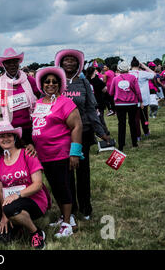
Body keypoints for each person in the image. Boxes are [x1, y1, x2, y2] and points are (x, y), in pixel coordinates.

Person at [55, 50, 110, 220]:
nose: (69, 63)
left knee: (83, 172)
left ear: (78, 64)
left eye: (73, 61)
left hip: (83, 132)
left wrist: (101, 132)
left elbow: (91, 109)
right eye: (66, 61)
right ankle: (70, 210)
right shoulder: (55, 82)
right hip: (62, 135)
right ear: (61, 63)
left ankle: (86, 208)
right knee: (67, 174)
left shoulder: (84, 83)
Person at [31, 66, 83, 238]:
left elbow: (77, 126)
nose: (51, 84)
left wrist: (74, 153)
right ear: (42, 84)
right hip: (44, 155)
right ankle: (64, 217)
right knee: (55, 187)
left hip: (61, 154)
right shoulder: (39, 103)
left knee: (63, 187)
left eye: (54, 81)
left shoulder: (65, 102)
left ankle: (68, 223)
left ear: (60, 84)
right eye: (47, 81)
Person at [0, 121, 50, 249]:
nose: (5, 139)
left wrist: (17, 195)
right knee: (2, 239)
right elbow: (1, 191)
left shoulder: (27, 154)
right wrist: (4, 216)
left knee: (11, 208)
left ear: (15, 137)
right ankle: (18, 224)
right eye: (2, 136)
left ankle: (36, 233)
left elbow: (38, 184)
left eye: (9, 135)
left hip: (34, 200)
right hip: (12, 203)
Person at [0, 48, 39, 146]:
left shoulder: (29, 80)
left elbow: (40, 99)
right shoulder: (0, 84)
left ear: (19, 63)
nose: (12, 65)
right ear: (3, 65)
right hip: (11, 130)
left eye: (15, 61)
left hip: (30, 128)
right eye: (8, 62)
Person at [108, 61, 143, 151]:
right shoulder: (133, 77)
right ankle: (134, 143)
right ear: (128, 69)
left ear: (119, 69)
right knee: (132, 123)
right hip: (132, 103)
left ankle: (121, 145)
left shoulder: (115, 79)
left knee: (121, 124)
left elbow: (111, 92)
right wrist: (141, 100)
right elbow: (137, 91)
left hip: (120, 104)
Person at [129, 57, 155, 139]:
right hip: (143, 98)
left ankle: (137, 135)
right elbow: (154, 74)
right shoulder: (143, 73)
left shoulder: (128, 73)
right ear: (138, 65)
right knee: (144, 117)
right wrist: (144, 66)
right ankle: (146, 132)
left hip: (132, 99)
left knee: (135, 118)